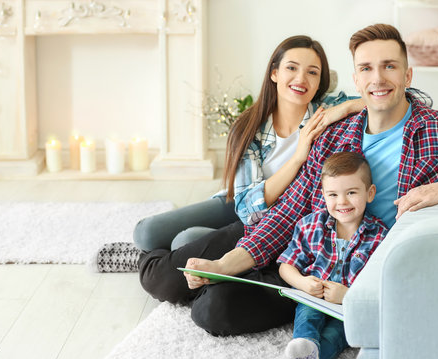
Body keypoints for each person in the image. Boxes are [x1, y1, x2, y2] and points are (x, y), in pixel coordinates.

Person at [184, 23, 438, 335]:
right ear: (356, 80)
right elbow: (290, 210)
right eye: (366, 68)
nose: (377, 79)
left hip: (370, 272)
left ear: (408, 76)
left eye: (389, 67)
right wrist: (225, 264)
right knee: (211, 303)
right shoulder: (335, 135)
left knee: (216, 306)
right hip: (314, 267)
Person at [93, 35, 370, 273]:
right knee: (146, 232)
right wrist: (298, 157)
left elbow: (387, 97)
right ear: (274, 73)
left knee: (184, 242)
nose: (301, 79)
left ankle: (162, 261)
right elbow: (247, 206)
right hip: (240, 204)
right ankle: (147, 257)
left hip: (279, 218)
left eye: (312, 72)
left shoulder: (326, 112)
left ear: (321, 81)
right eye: (292, 68)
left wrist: (344, 108)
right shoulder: (249, 125)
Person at [278, 152, 388, 359]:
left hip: (348, 306)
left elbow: (381, 286)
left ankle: (315, 355)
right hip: (313, 297)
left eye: (352, 192)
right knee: (307, 316)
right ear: (323, 195)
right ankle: (304, 344)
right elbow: (286, 265)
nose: (342, 202)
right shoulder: (311, 225)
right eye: (333, 195)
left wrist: (347, 296)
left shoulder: (379, 236)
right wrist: (302, 283)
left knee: (339, 333)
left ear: (370, 193)